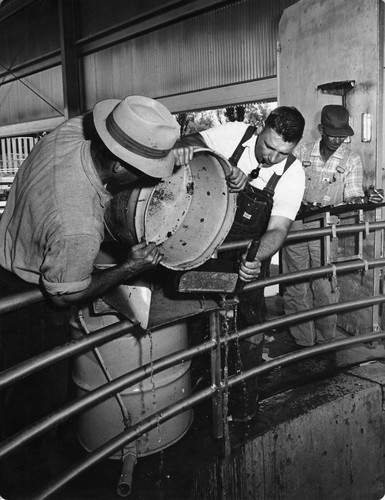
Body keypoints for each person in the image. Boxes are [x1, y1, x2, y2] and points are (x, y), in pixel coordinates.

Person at [0, 95, 193, 446]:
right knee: (37, 402)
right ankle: (27, 477)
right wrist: (128, 266)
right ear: (119, 167)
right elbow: (65, 297)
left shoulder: (68, 136)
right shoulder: (77, 224)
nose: (151, 180)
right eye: (147, 172)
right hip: (27, 300)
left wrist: (165, 148)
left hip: (9, 248)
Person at [176, 106, 306, 421]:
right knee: (195, 326)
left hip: (246, 258)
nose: (272, 158)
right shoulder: (235, 135)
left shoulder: (292, 173)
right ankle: (194, 406)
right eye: (269, 147)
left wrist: (257, 258)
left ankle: (242, 408)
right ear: (261, 128)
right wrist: (221, 165)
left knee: (246, 332)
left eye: (282, 152)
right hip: (203, 248)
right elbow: (187, 142)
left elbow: (278, 229)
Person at [281, 104, 365, 348]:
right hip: (295, 226)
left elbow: (353, 195)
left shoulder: (351, 159)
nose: (338, 140)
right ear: (320, 129)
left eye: (342, 135)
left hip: (327, 230)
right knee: (296, 285)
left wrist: (360, 201)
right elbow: (284, 187)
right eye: (332, 134)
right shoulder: (301, 153)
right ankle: (303, 342)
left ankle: (326, 342)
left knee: (325, 287)